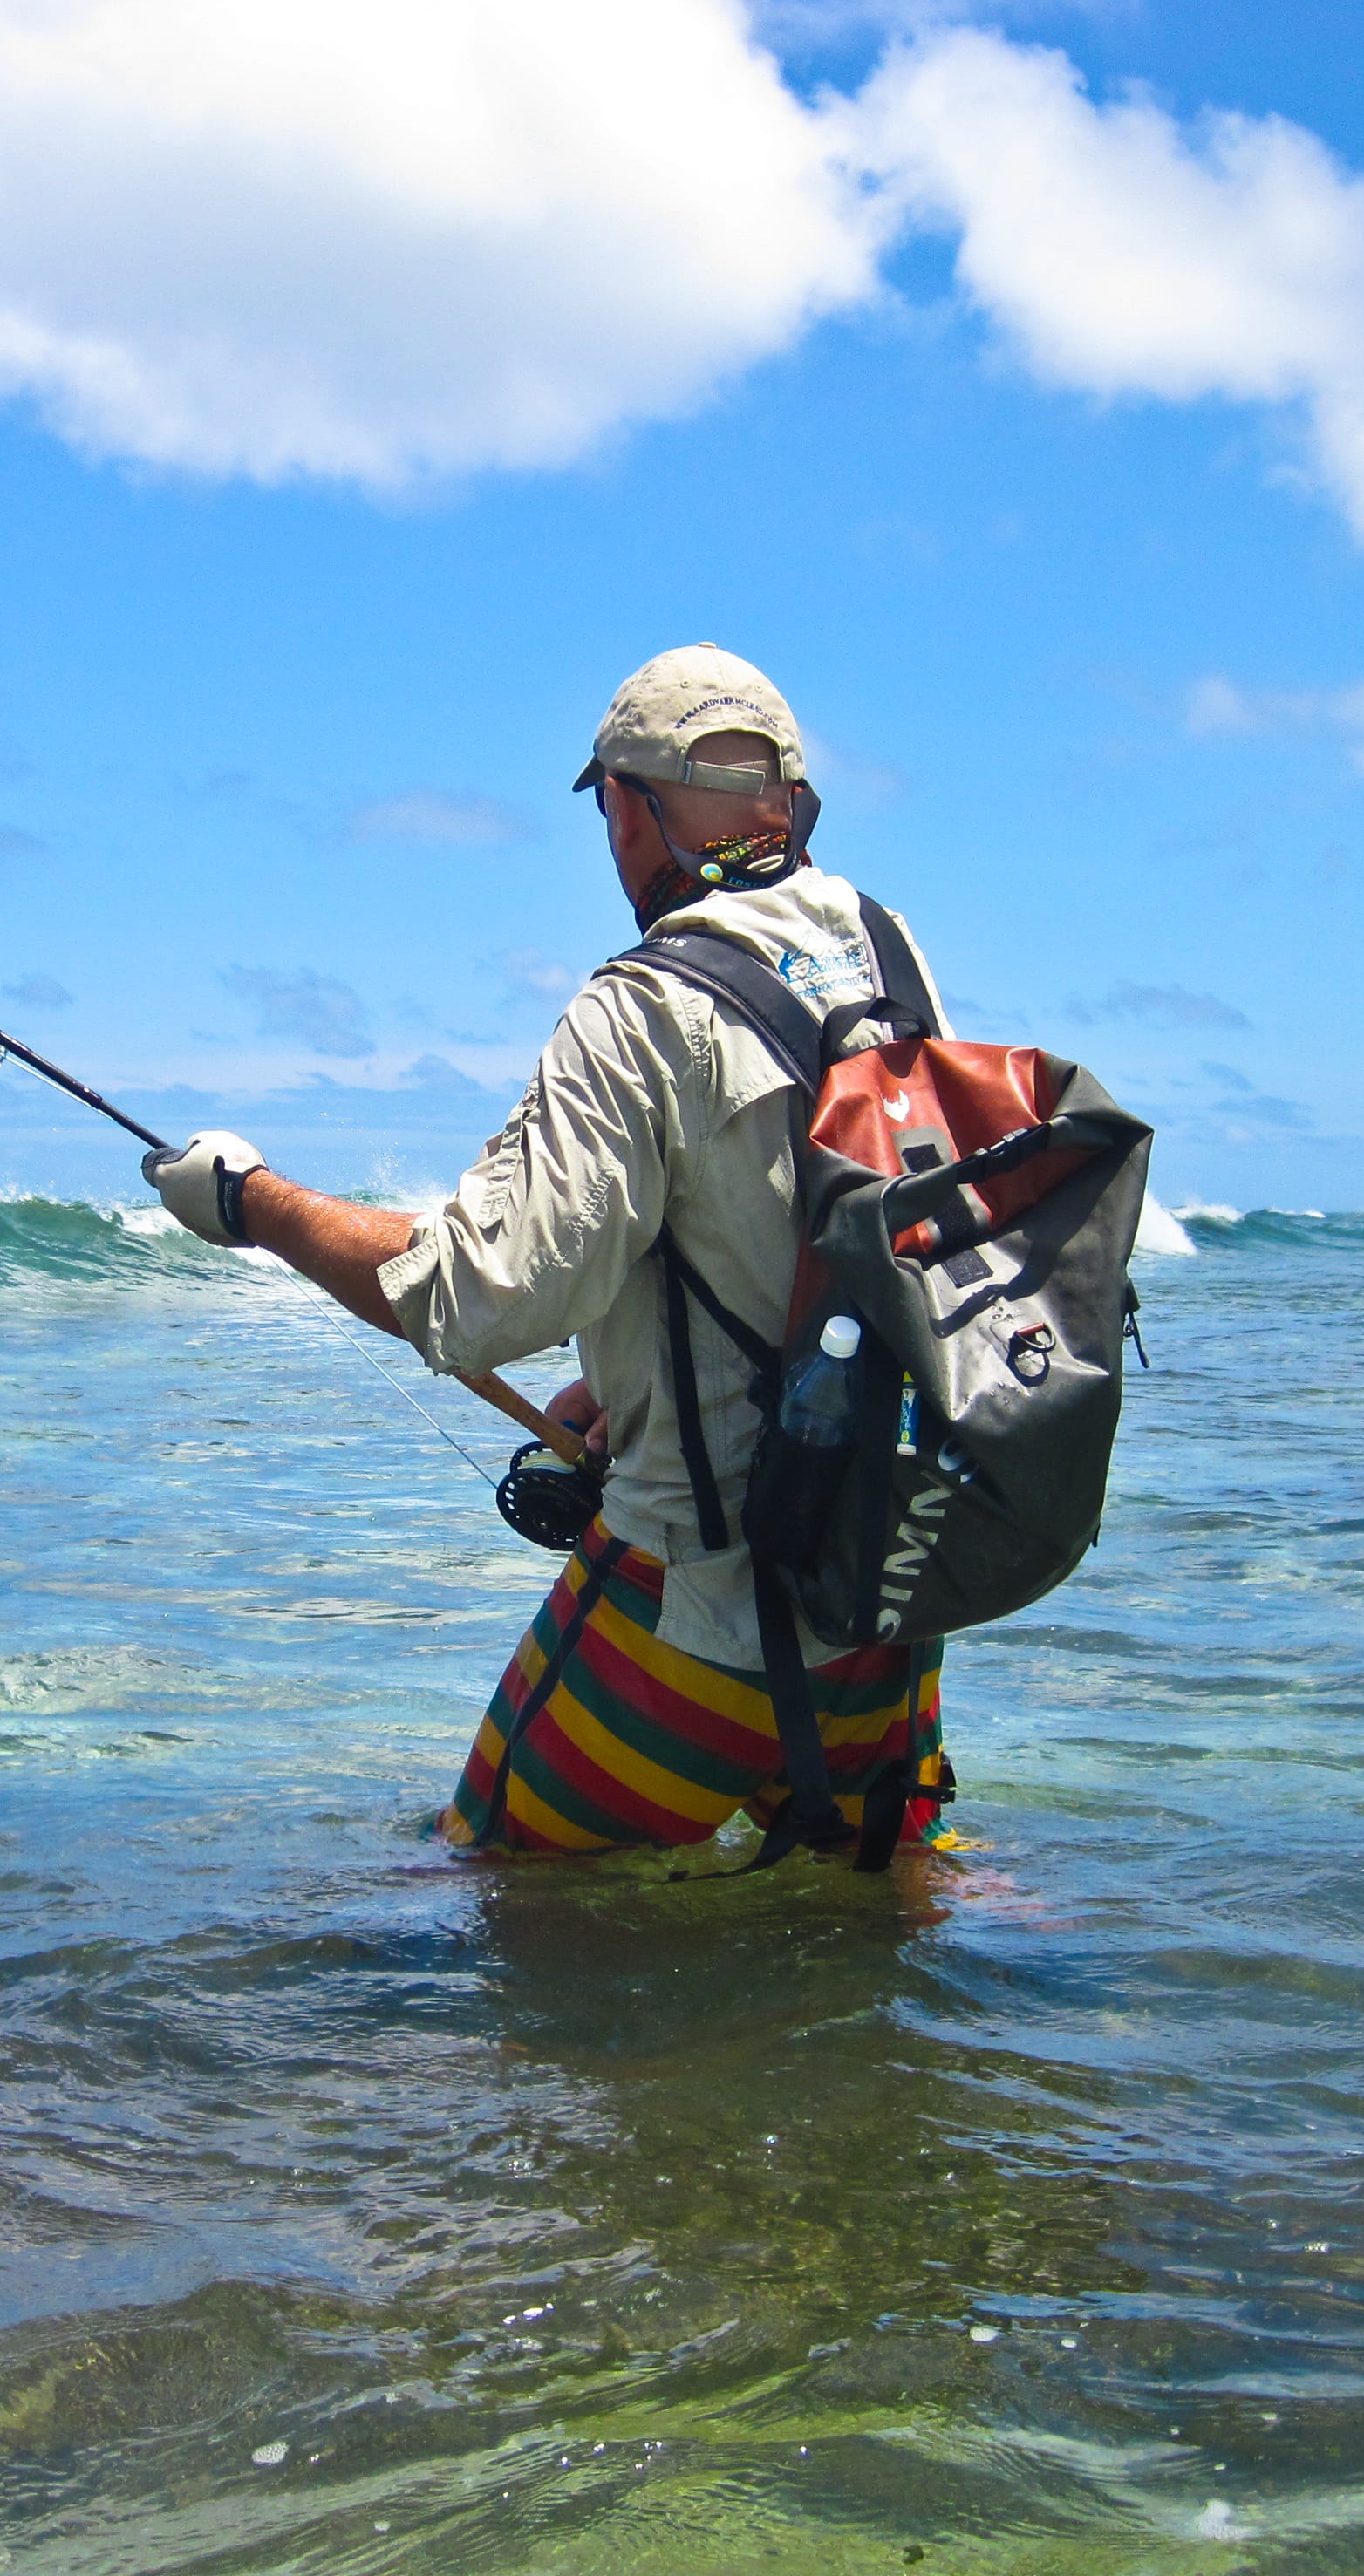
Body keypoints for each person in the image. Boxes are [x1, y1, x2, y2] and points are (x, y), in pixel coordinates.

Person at [141, 644, 958, 1855]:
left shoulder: (640, 1008)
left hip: (697, 1622)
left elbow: (469, 1295)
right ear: (784, 801)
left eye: (610, 808)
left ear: (631, 809)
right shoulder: (890, 955)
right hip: (894, 1602)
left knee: (486, 1889)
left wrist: (248, 1201)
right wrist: (627, 1380)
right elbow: (824, 1243)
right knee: (874, 1951)